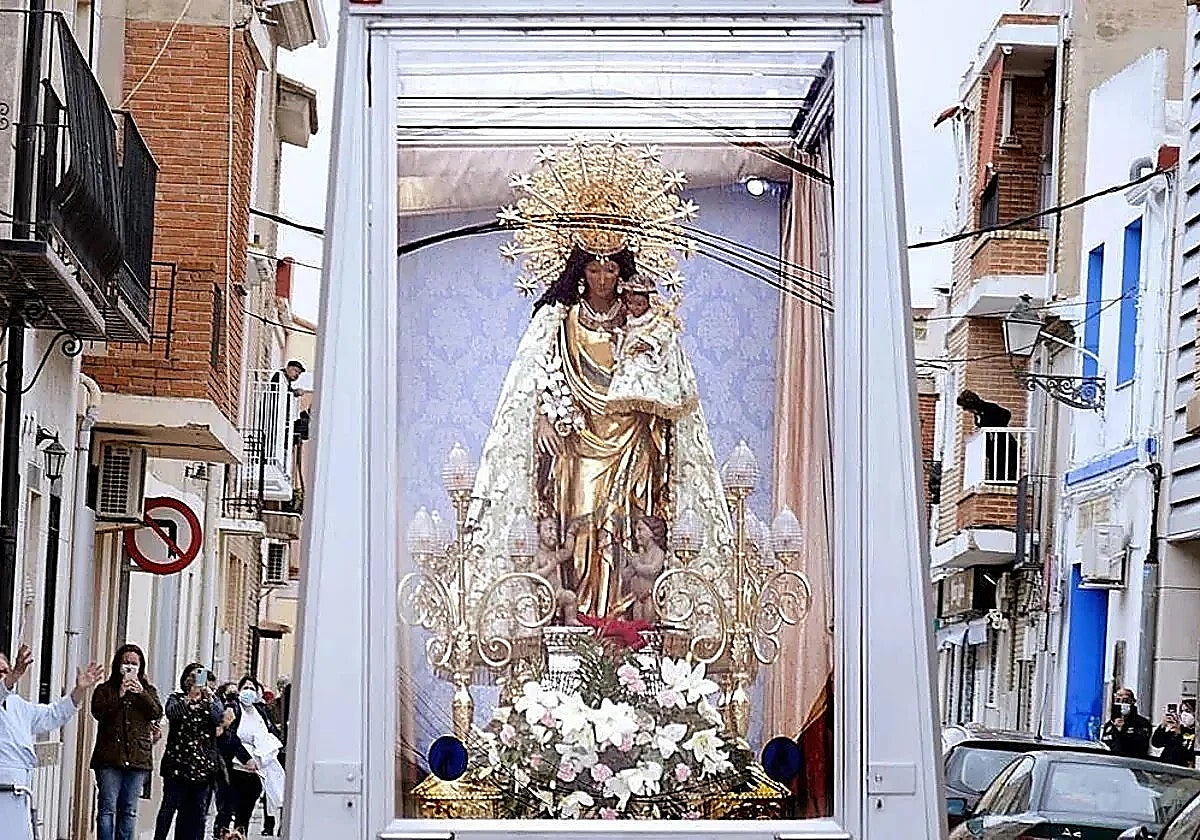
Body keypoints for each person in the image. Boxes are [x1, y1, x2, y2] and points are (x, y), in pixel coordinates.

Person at [467, 245, 731, 620]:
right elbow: (538, 375)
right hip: (579, 440)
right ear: (580, 272)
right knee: (582, 515)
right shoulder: (562, 320)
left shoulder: (643, 321)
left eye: (610, 270)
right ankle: (582, 616)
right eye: (594, 270)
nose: (603, 279)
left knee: (629, 520)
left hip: (634, 435)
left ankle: (625, 619)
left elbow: (668, 379)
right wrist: (544, 417)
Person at [0, 644, 105, 840]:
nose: (4, 675)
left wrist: (78, 690)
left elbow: (53, 715)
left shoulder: (18, 705)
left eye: (5, 670)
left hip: (20, 791)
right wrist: (12, 677)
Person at [90, 644, 163, 840]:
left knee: (129, 809)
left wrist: (140, 693)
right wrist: (120, 694)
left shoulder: (148, 690)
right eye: (126, 662)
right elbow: (99, 713)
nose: (129, 667)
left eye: (134, 663)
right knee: (107, 808)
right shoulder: (105, 689)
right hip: (109, 758)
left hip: (137, 758)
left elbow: (156, 711)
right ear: (118, 665)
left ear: (141, 667)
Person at [154, 663, 223, 840]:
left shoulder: (211, 701)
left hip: (202, 768)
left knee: (197, 814)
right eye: (192, 677)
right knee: (168, 809)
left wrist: (208, 697)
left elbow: (217, 718)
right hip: (177, 766)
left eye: (200, 677)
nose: (196, 681)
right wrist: (189, 698)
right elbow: (172, 713)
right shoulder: (176, 699)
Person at [217, 677, 285, 839]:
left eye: (252, 689)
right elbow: (230, 737)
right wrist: (246, 758)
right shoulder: (233, 709)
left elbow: (271, 733)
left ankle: (242, 834)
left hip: (257, 770)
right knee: (227, 810)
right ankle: (221, 834)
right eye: (245, 688)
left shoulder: (261, 711)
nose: (249, 692)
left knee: (245, 811)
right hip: (235, 768)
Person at [617, 515, 669, 622]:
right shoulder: (640, 555)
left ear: (651, 533)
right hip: (638, 598)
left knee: (648, 625)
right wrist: (629, 564)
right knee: (638, 626)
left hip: (649, 597)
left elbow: (653, 570)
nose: (637, 535)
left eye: (640, 530)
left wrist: (636, 565)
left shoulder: (658, 552)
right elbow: (626, 576)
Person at [1101, 687, 1152, 758]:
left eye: (1125, 700)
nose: (1121, 703)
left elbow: (1141, 746)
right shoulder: (1110, 724)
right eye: (1118, 700)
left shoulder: (1142, 723)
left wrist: (1123, 730)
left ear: (1132, 702)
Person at [1152, 701, 1196, 767]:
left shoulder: (1196, 734)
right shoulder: (1178, 728)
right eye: (1182, 711)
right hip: (1165, 765)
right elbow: (1156, 743)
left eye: (1187, 711)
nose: (1184, 714)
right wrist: (1162, 726)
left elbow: (1187, 753)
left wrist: (1179, 735)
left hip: (1181, 768)